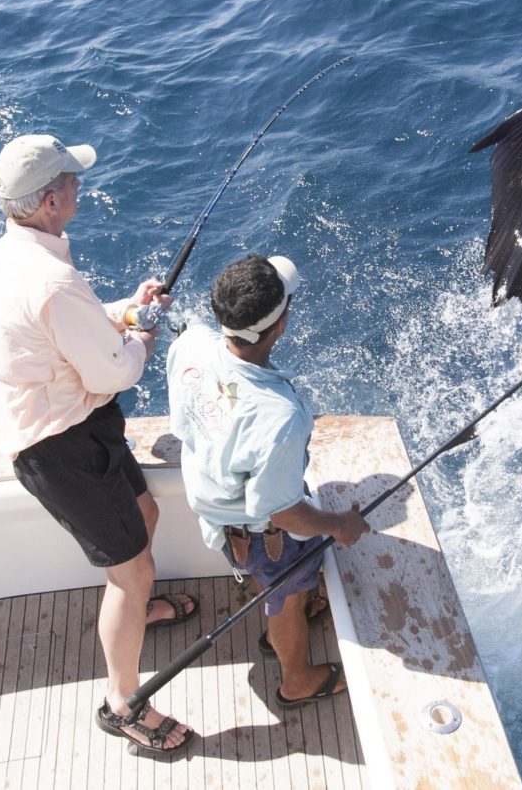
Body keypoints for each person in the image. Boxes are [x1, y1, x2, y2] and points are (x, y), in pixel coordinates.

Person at [0, 133, 196, 759]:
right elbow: (115, 374)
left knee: (146, 514)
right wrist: (143, 339)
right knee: (132, 574)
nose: (79, 185)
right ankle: (124, 703)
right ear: (50, 201)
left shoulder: (12, 253)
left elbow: (66, 329)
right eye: (70, 180)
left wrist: (127, 311)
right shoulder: (49, 279)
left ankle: (137, 616)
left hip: (81, 426)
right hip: (59, 448)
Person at [167, 253, 370, 709]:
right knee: (287, 596)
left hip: (218, 515)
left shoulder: (194, 342)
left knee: (279, 586)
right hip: (260, 536)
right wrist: (340, 525)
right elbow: (279, 511)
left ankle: (286, 604)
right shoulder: (279, 417)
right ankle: (296, 679)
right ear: (279, 327)